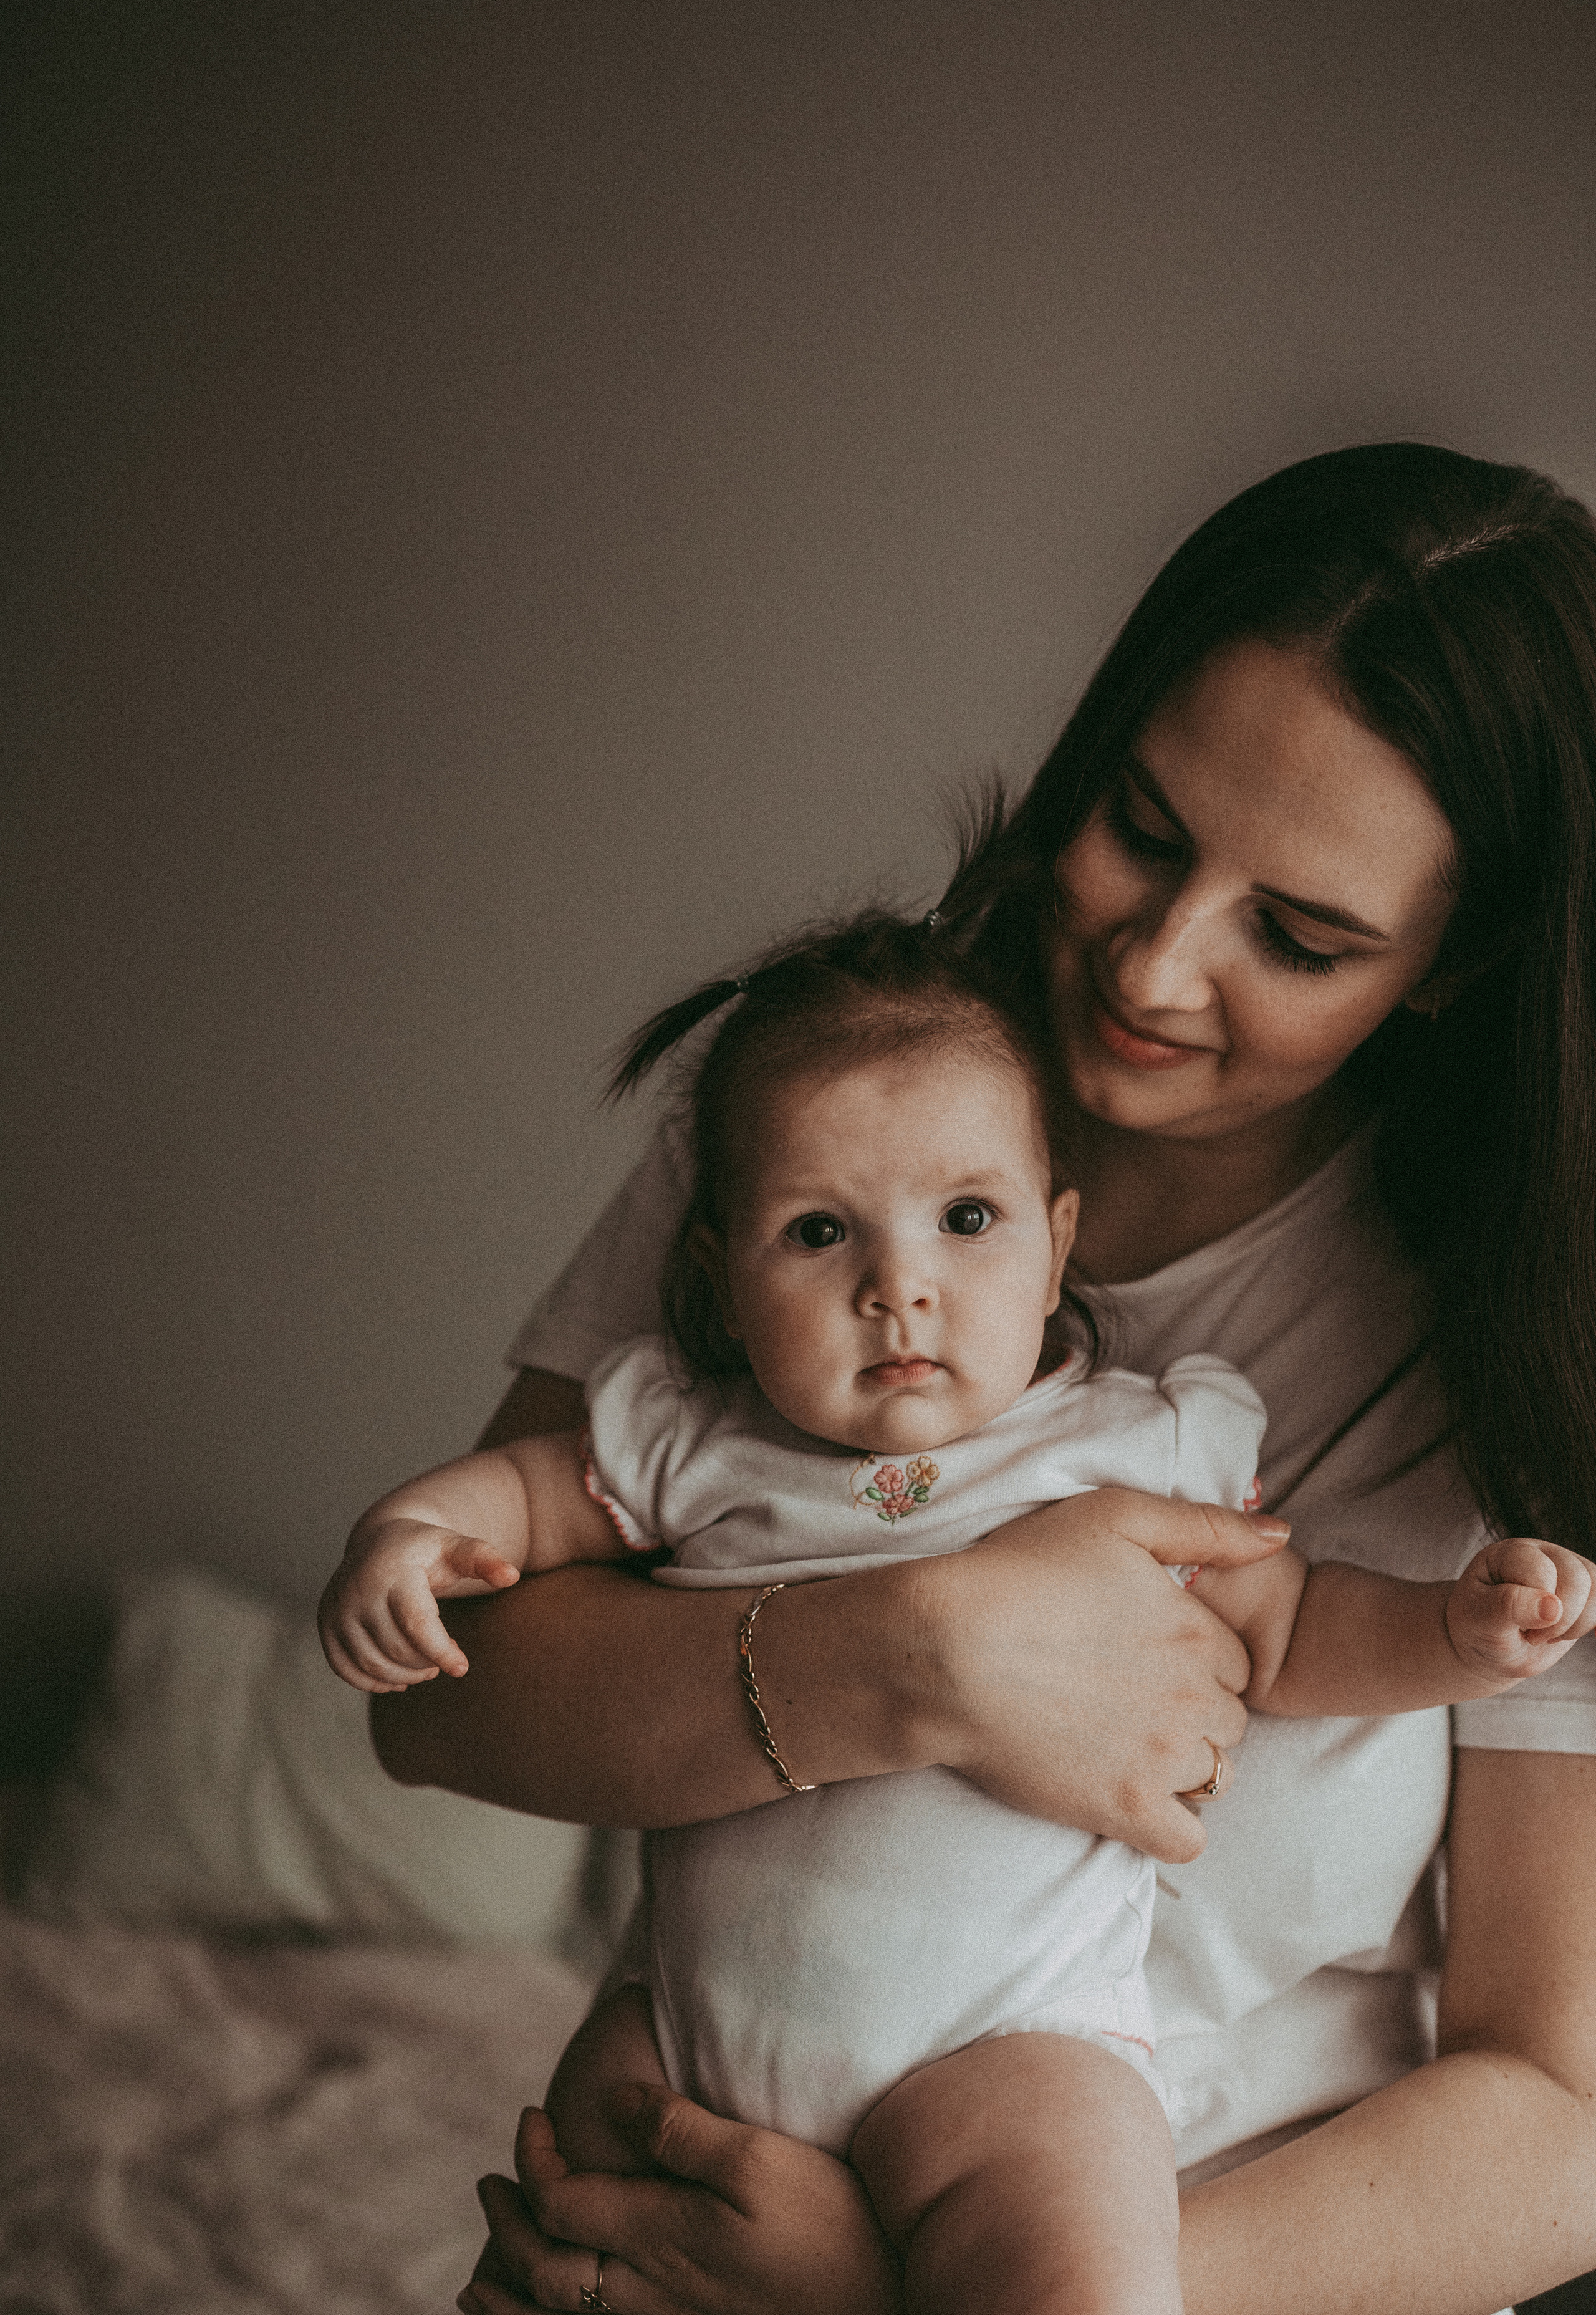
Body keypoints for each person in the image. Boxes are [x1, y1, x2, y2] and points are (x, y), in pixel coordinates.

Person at [371, 443, 1596, 2315]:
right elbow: (441, 1706)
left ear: (1457, 965)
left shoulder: (1527, 1339)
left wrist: (936, 2287)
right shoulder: (840, 1106)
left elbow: (1562, 2111)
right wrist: (911, 1657)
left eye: (1300, 936)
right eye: (1146, 827)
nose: (1158, 965)